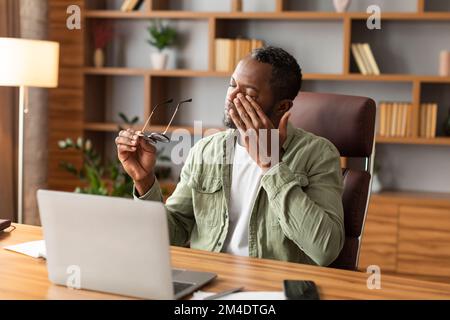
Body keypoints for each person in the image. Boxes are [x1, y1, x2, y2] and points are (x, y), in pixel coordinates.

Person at [115, 46, 344, 266]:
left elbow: (325, 250)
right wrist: (144, 181)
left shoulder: (319, 155)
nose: (232, 96)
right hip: (208, 280)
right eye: (232, 84)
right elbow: (174, 233)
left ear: (282, 106)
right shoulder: (206, 151)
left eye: (248, 93)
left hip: (270, 289)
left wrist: (271, 166)